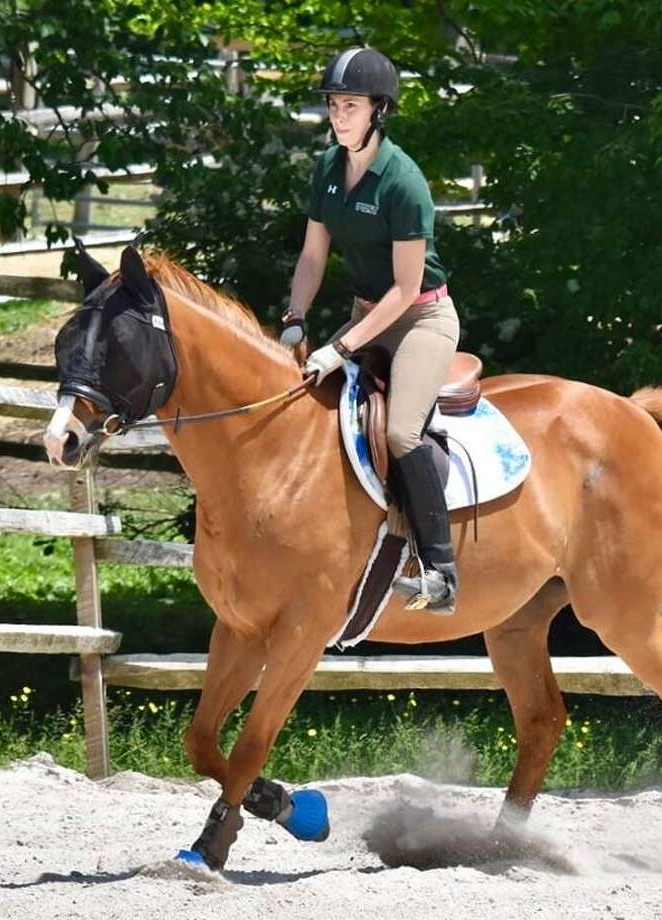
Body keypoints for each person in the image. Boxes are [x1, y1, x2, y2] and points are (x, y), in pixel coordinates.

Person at [281, 47, 460, 614]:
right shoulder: (328, 168)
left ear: (379, 110)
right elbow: (313, 255)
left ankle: (440, 572)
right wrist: (294, 319)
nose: (338, 116)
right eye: (334, 105)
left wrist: (341, 347)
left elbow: (405, 290)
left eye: (350, 105)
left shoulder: (403, 181)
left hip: (421, 320)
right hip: (364, 316)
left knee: (404, 432)